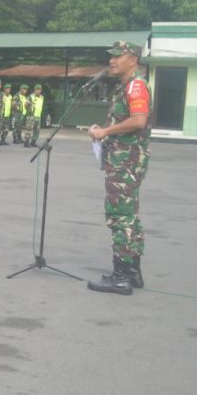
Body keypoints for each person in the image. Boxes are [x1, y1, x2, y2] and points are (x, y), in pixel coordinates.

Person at [87, 41, 151, 295]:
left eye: (118, 56)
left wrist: (106, 131)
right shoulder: (126, 86)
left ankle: (121, 276)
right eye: (111, 57)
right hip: (125, 159)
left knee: (120, 216)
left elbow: (138, 120)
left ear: (133, 59)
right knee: (129, 217)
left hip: (127, 161)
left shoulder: (136, 86)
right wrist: (103, 133)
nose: (112, 61)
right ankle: (132, 272)